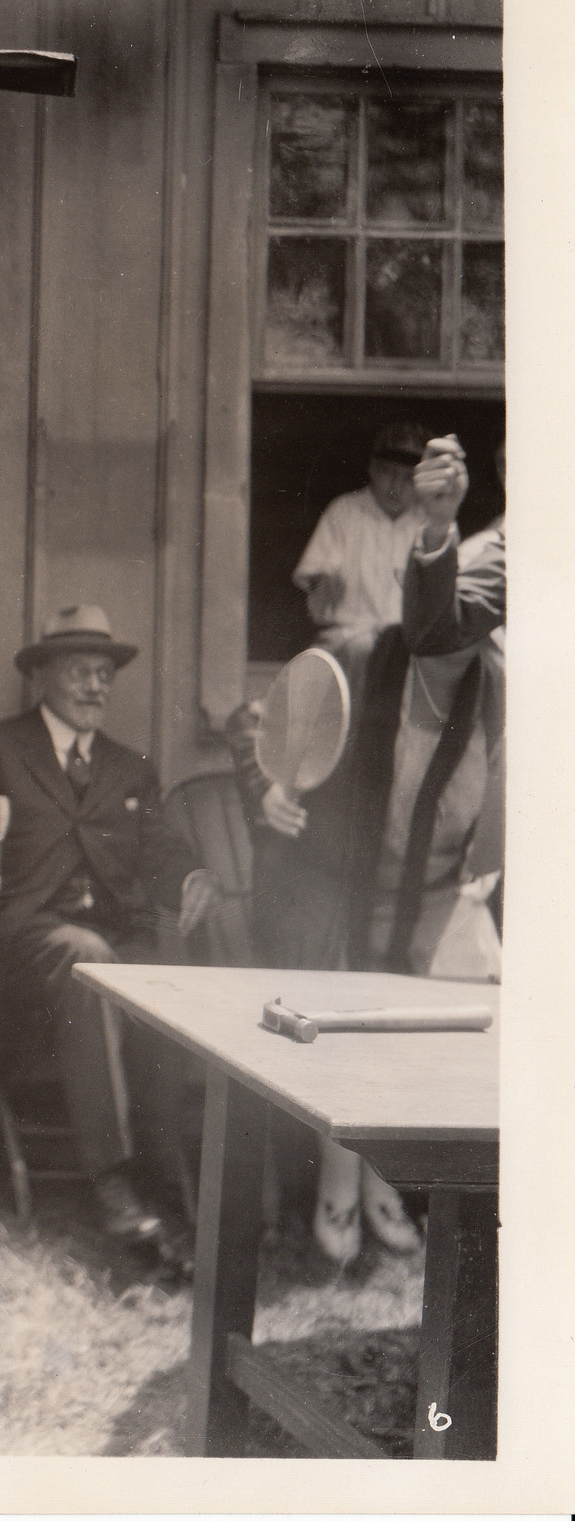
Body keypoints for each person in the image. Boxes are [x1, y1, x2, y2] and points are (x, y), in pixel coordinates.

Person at [248, 435, 503, 1262]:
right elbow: (275, 738)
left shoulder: (500, 688)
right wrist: (275, 792)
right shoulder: (356, 655)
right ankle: (336, 1183)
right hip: (342, 883)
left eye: (472, 623)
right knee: (341, 1027)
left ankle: (388, 1182)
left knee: (436, 1032)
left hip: (434, 891)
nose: (456, 638)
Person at [0, 607, 215, 1260]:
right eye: (79, 671)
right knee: (90, 960)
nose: (95, 685)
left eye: (104, 674)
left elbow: (158, 849)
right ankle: (113, 1182)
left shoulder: (128, 768)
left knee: (163, 983)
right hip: (25, 945)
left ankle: (170, 1184)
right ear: (41, 675)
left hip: (110, 942)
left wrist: (187, 878)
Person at [291, 419, 427, 682]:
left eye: (408, 478)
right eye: (389, 472)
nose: (396, 486)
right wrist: (323, 584)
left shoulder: (428, 524)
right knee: (360, 649)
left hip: (407, 645)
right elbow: (314, 583)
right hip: (348, 638)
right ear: (373, 469)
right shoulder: (344, 512)